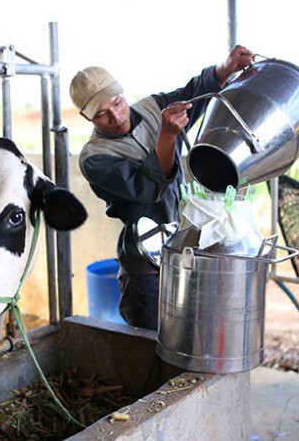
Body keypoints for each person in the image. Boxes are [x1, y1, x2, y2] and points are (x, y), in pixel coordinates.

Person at [70, 45, 255, 330]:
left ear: (123, 93)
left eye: (117, 102)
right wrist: (167, 136)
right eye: (102, 114)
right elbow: (148, 187)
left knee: (191, 334)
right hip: (145, 259)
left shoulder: (153, 108)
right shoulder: (94, 158)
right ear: (86, 118)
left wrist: (226, 68)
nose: (116, 117)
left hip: (186, 244)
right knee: (149, 339)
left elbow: (192, 94)